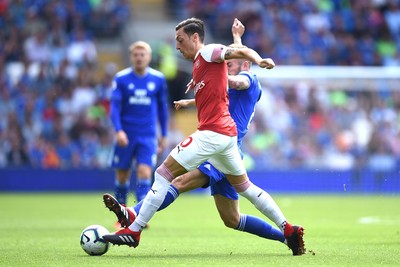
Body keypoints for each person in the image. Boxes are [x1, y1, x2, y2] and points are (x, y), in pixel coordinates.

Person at [103, 18, 305, 256]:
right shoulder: (212, 65)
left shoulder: (225, 64)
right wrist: (236, 39)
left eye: (180, 40)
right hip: (227, 142)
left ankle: (134, 226)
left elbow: (238, 68)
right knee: (239, 204)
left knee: (166, 175)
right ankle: (288, 230)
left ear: (195, 38)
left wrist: (257, 59)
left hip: (213, 135)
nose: (177, 46)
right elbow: (227, 73)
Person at [109, 41, 169, 214]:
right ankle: (121, 214)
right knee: (122, 175)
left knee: (144, 171)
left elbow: (162, 109)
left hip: (147, 135)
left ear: (149, 57)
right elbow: (115, 107)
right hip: (126, 134)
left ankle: (140, 214)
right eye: (136, 55)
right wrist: (118, 130)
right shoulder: (121, 78)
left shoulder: (158, 79)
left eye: (143, 54)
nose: (139, 58)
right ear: (131, 57)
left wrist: (163, 133)